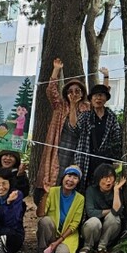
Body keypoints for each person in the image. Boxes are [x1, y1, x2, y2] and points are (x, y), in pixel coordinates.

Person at [35, 57, 88, 198]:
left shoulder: (87, 108)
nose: (74, 94)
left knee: (75, 179)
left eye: (77, 91)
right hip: (61, 148)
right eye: (71, 91)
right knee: (57, 176)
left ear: (82, 93)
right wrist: (56, 70)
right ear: (66, 93)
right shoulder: (60, 105)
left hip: (79, 150)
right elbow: (50, 90)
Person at [37, 165, 86, 253]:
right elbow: (40, 214)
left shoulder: (80, 198)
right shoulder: (52, 191)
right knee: (45, 221)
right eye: (69, 176)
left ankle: (54, 248)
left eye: (75, 178)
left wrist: (58, 242)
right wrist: (46, 194)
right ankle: (41, 250)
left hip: (67, 236)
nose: (71, 180)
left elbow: (75, 224)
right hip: (52, 232)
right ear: (63, 177)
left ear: (78, 182)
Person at [79, 75, 122, 182]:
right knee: (85, 184)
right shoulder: (85, 116)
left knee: (104, 184)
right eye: (95, 96)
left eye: (101, 96)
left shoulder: (111, 117)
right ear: (91, 99)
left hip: (105, 159)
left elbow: (116, 137)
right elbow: (76, 129)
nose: (98, 98)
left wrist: (116, 159)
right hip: (86, 157)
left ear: (106, 99)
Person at [81, 166, 127, 253]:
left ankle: (102, 246)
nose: (108, 180)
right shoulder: (91, 190)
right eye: (105, 177)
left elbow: (116, 211)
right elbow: (91, 212)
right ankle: (87, 246)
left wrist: (116, 190)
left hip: (109, 234)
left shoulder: (116, 190)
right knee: (94, 221)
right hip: (93, 231)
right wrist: (109, 210)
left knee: (113, 218)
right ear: (98, 179)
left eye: (111, 177)